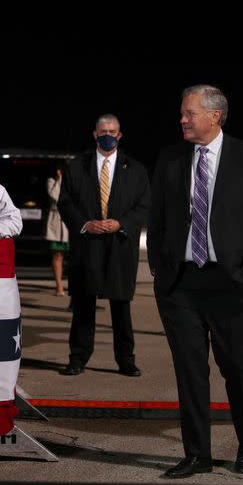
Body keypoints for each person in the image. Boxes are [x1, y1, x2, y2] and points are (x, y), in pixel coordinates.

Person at [147, 85, 243, 479]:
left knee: (237, 367)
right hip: (181, 285)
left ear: (214, 116)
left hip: (232, 283)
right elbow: (157, 220)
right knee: (189, 371)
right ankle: (196, 455)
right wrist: (159, 266)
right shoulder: (170, 158)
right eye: (182, 113)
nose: (182, 120)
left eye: (189, 113)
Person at [57, 114, 150, 378]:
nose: (107, 134)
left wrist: (120, 224)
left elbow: (144, 206)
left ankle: (126, 360)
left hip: (120, 246)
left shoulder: (136, 169)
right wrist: (86, 224)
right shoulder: (76, 166)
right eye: (103, 131)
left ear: (119, 135)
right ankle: (78, 357)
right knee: (83, 305)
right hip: (88, 245)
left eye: (112, 131)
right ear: (95, 134)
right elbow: (65, 203)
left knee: (122, 308)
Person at [45, 161, 70, 296]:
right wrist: (60, 179)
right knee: (58, 254)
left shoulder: (73, 182)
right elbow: (56, 196)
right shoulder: (51, 181)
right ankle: (59, 286)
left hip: (69, 223)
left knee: (74, 256)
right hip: (56, 222)